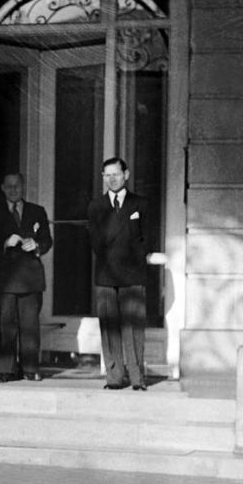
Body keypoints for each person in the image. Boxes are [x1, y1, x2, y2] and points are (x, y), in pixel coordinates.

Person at [86, 156, 148, 391]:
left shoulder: (140, 204)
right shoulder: (96, 206)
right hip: (106, 274)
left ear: (126, 175)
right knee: (109, 327)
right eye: (107, 175)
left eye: (116, 174)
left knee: (134, 328)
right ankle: (114, 377)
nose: (112, 179)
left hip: (133, 274)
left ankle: (136, 378)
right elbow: (96, 242)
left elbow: (146, 238)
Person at [0, 172, 52, 382]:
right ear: (2, 188)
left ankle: (31, 368)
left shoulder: (37, 211)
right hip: (5, 279)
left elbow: (47, 240)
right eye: (9, 186)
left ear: (23, 186)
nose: (13, 189)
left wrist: (37, 245)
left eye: (17, 185)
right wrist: (5, 242)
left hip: (30, 277)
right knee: (6, 324)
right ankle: (5, 370)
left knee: (29, 325)